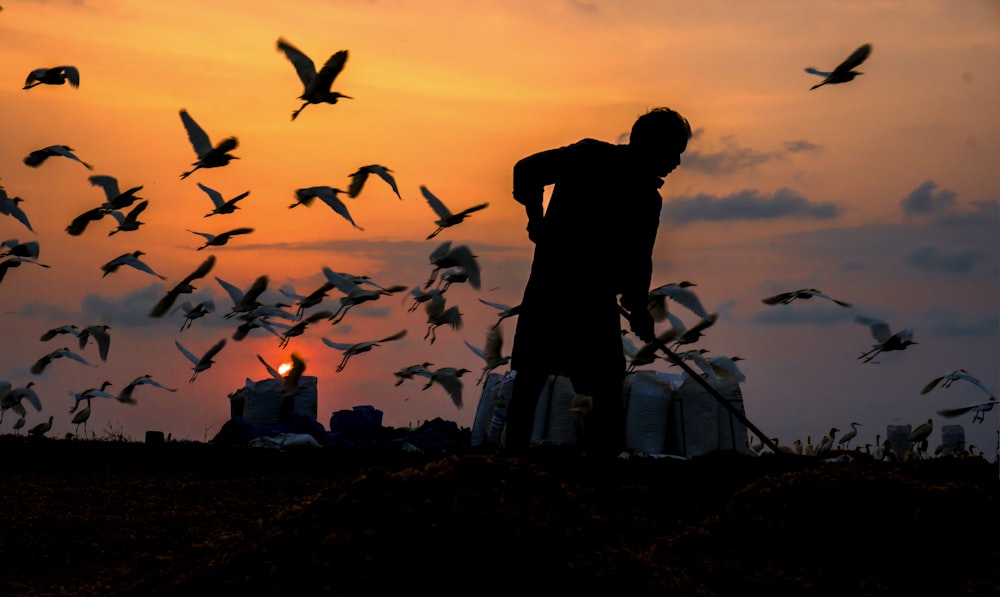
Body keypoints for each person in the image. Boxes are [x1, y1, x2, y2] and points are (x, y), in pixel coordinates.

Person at [505, 106, 692, 455]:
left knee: (600, 385)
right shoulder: (589, 157)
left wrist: (638, 308)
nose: (677, 163)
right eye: (673, 152)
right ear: (652, 146)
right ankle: (514, 466)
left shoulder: (647, 198)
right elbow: (526, 170)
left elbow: (638, 261)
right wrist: (537, 219)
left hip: (591, 301)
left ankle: (598, 469)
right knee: (537, 381)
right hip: (555, 293)